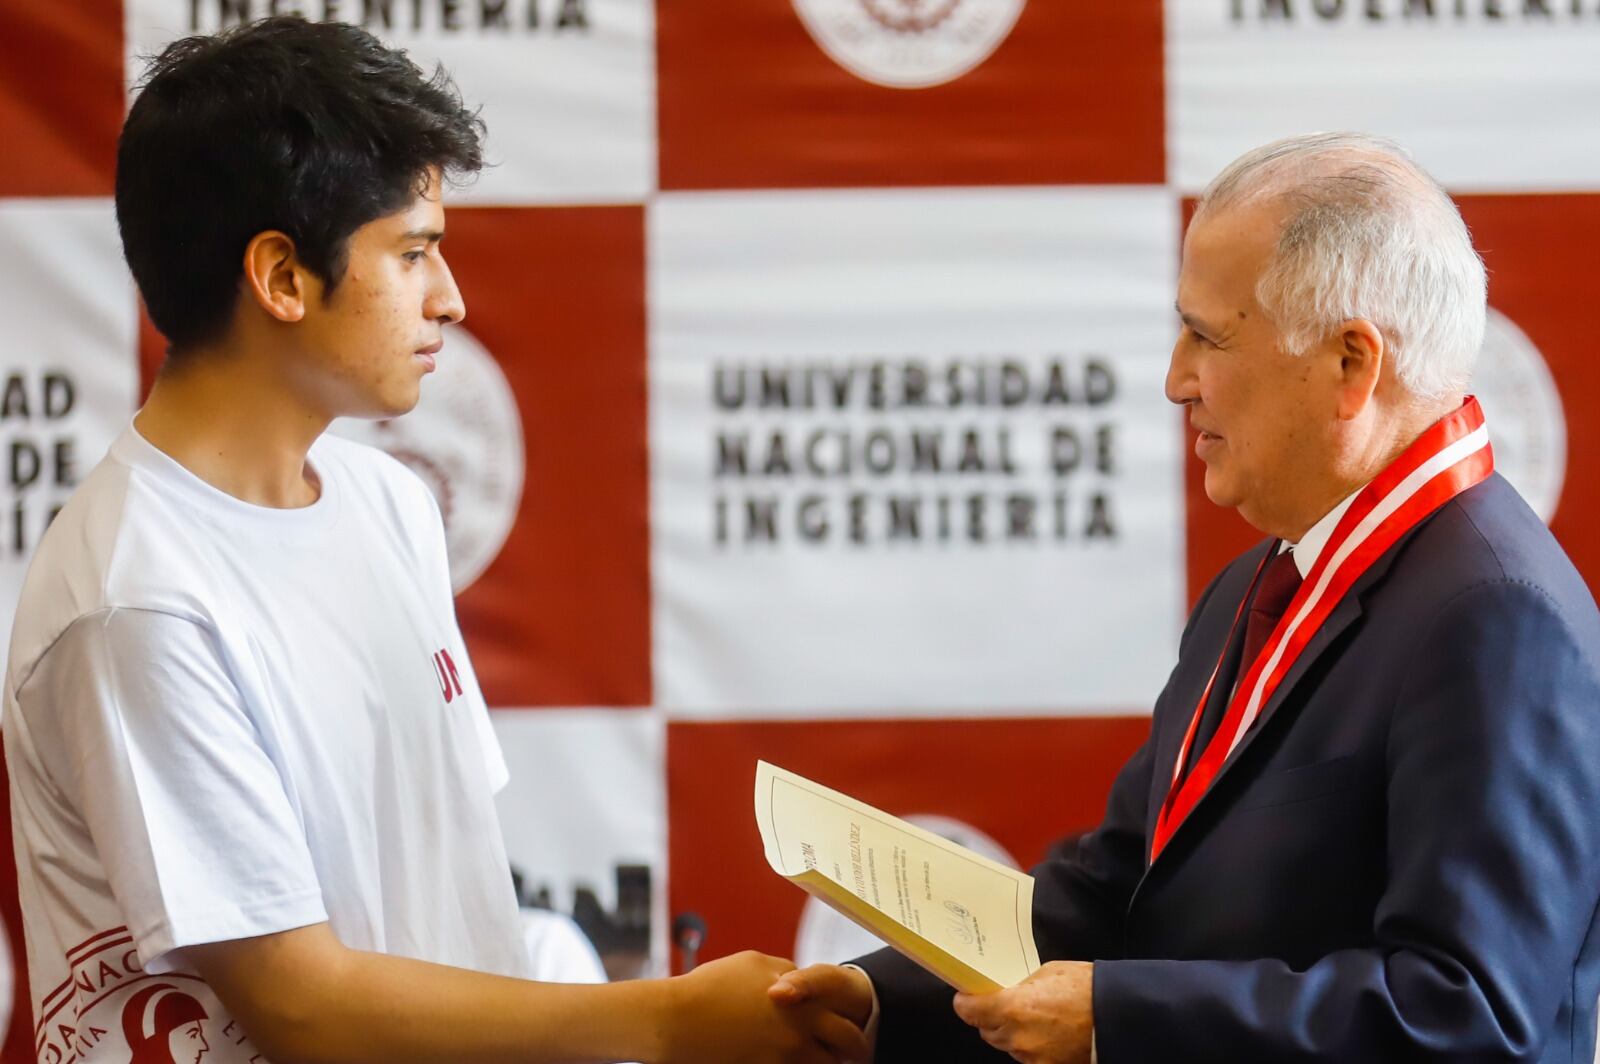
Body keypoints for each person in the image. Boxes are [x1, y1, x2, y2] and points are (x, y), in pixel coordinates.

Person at [2, 17, 865, 1064]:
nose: (449, 299)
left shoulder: (385, 501)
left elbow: (438, 885)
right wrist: (666, 1018)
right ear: (280, 277)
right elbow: (303, 1005)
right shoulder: (137, 600)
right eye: (412, 253)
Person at [771, 132, 1600, 1062]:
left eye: (1207, 336)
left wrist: (1117, 1023)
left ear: (1350, 364)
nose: (1174, 380)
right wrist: (879, 999)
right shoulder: (1258, 586)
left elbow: (1472, 1016)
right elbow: (1119, 891)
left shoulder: (1497, 618)